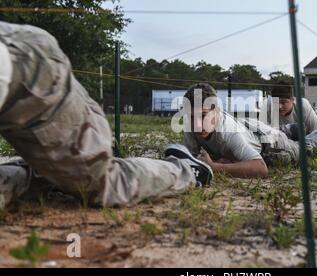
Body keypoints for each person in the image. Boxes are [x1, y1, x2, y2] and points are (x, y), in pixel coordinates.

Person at [0, 21, 212, 209]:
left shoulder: (229, 131)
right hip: (16, 53)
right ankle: (53, 172)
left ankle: (184, 170)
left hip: (29, 70)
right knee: (71, 175)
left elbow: (248, 160)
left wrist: (218, 165)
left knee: (104, 184)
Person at [181, 83, 317, 178]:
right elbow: (192, 157)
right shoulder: (191, 125)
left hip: (272, 146)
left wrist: (217, 167)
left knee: (307, 148)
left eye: (204, 115)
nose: (197, 125)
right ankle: (292, 129)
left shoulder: (229, 133)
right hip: (256, 130)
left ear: (217, 111)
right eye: (191, 117)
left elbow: (260, 168)